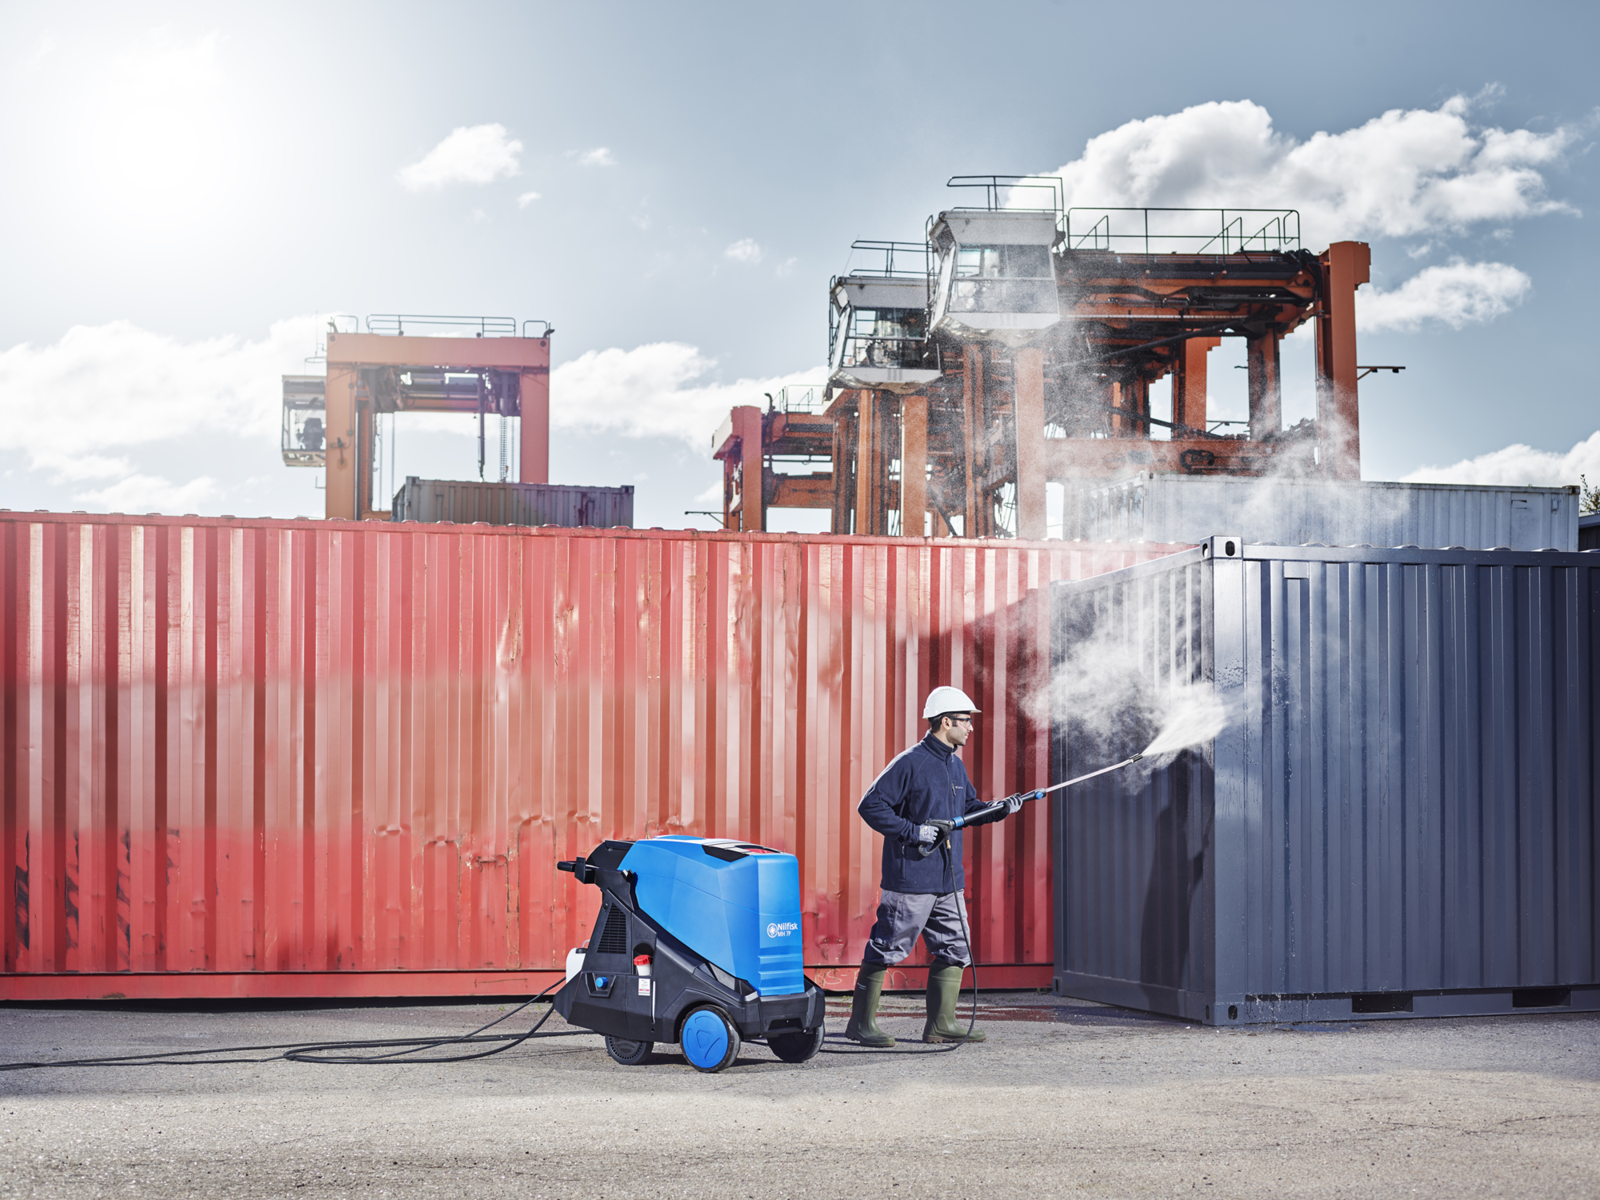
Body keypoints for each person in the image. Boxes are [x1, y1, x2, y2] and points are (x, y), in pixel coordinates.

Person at [844, 685, 1027, 1045]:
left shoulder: (954, 765)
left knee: (956, 948)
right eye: (966, 721)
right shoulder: (911, 762)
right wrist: (914, 831)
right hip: (911, 879)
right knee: (888, 948)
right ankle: (860, 1025)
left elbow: (969, 810)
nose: (971, 728)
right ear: (946, 722)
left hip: (948, 882)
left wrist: (1000, 808)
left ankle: (941, 1025)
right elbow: (871, 806)